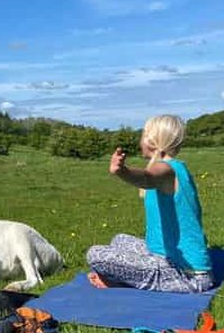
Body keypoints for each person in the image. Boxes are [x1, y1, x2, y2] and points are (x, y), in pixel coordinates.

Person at [86, 114, 213, 293]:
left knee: (95, 254)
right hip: (164, 255)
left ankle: (122, 283)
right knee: (119, 239)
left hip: (187, 275)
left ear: (152, 140)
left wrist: (122, 171)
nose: (141, 140)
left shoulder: (166, 169)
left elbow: (147, 178)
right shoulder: (174, 167)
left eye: (143, 134)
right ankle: (130, 276)